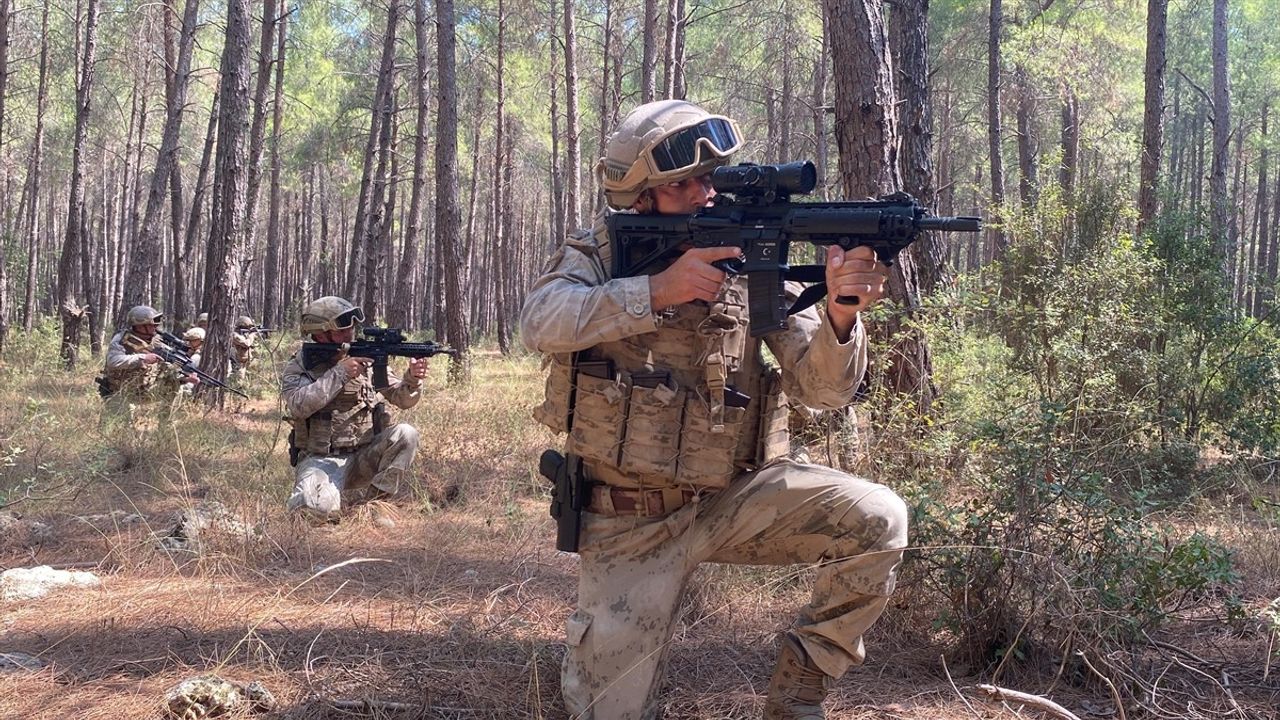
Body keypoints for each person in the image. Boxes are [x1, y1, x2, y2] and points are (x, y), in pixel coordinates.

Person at [520, 99, 908, 719]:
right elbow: (539, 321)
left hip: (736, 498)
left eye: (712, 176)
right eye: (683, 184)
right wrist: (655, 292)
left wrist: (840, 313)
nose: (706, 193)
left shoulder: (749, 251)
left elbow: (824, 392)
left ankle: (800, 687)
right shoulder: (600, 253)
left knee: (879, 517)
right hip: (630, 519)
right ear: (641, 198)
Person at [280, 296, 427, 520]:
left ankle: (376, 504)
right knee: (313, 511)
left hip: (364, 455)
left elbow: (402, 399)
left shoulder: (363, 356)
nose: (350, 334)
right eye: (342, 331)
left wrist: (413, 379)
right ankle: (327, 498)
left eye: (352, 328)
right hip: (321, 458)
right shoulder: (300, 365)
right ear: (320, 334)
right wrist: (340, 373)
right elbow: (298, 406)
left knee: (406, 434)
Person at [99, 305, 196, 426]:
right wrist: (142, 357)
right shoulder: (121, 339)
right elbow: (113, 361)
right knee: (120, 429)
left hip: (144, 390)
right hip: (119, 391)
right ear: (140, 325)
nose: (155, 327)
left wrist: (184, 377)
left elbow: (168, 368)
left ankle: (166, 426)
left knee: (176, 385)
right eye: (151, 325)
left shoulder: (156, 341)